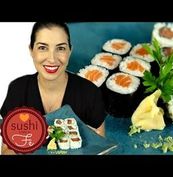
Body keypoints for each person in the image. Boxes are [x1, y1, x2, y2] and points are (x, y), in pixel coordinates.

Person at [0, 22, 107, 154]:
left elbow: (101, 147)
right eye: (42, 48)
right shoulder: (18, 89)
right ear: (31, 50)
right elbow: (7, 149)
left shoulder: (90, 92)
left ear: (70, 51)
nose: (52, 59)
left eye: (60, 48)